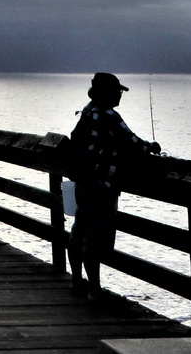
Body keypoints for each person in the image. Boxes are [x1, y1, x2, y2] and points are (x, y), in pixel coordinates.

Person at [64, 72, 160, 300]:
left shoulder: (88, 111)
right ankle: (94, 291)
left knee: (79, 230)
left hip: (83, 179)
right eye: (117, 91)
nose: (120, 95)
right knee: (93, 237)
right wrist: (152, 148)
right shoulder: (108, 115)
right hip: (100, 183)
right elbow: (133, 143)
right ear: (108, 93)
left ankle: (77, 282)